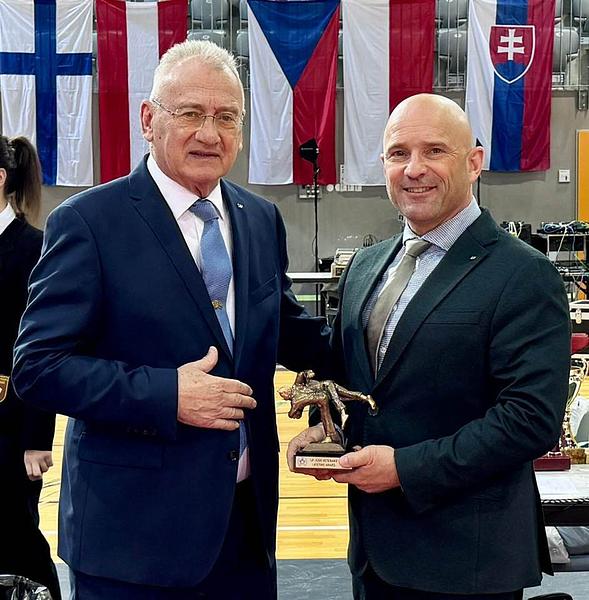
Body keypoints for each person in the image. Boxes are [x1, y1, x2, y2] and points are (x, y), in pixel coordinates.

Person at [13, 40, 330, 600]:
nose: (210, 133)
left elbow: (289, 330)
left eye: (226, 117)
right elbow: (38, 368)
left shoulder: (260, 218)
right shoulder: (89, 222)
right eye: (190, 113)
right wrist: (166, 395)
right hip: (132, 542)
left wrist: (395, 342)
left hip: (244, 530)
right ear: (148, 119)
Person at [287, 94, 571, 600]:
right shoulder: (366, 266)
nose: (414, 169)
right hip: (374, 555)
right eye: (399, 153)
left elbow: (530, 420)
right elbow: (351, 376)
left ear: (474, 162)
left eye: (435, 151)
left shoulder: (524, 273)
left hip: (467, 561)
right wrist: (323, 429)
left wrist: (403, 469)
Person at [0, 135, 61, 599]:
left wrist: (37, 438)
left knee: (16, 539)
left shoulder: (35, 249)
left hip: (10, 426)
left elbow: (46, 348)